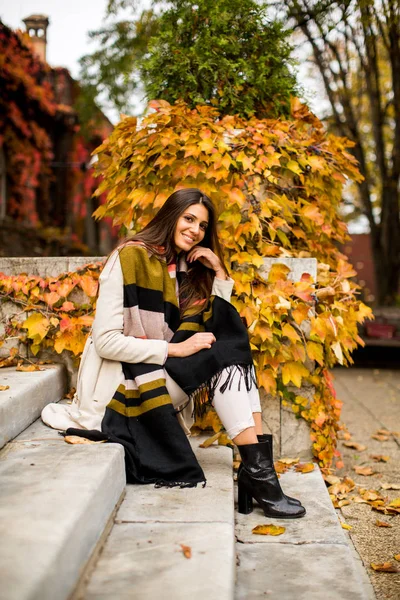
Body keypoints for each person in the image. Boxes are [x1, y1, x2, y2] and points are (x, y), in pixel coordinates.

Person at [42, 188, 305, 519]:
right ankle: (259, 476)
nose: (195, 230)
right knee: (223, 355)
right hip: (121, 389)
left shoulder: (183, 271)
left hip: (158, 380)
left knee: (227, 346)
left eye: (202, 226)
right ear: (171, 216)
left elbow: (218, 323)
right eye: (189, 219)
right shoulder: (128, 258)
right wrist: (174, 348)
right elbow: (106, 340)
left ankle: (259, 473)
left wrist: (220, 273)